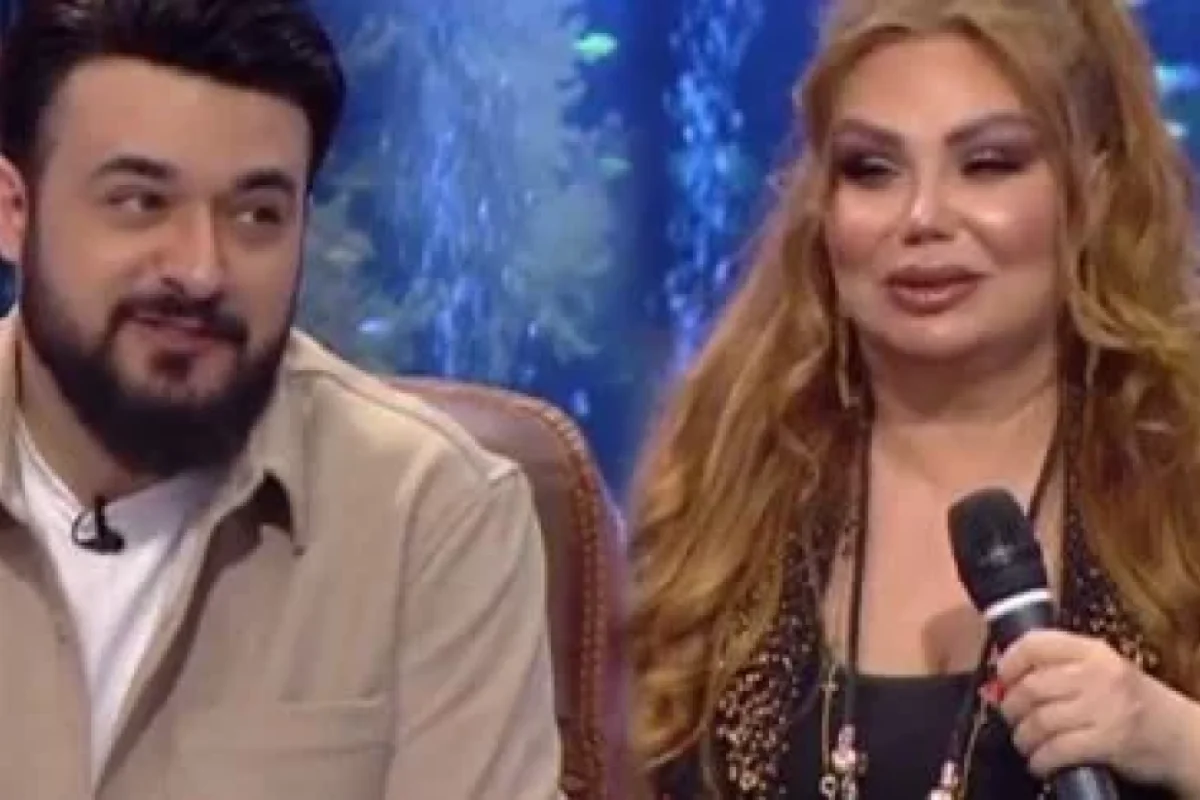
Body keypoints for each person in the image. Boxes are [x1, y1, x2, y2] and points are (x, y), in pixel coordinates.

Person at [629, 0, 1200, 797]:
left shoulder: (1182, 474)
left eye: (988, 164)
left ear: (1095, 185)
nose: (922, 218)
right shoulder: (727, 485)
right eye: (871, 169)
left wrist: (1173, 739)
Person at [0, 0, 562, 798]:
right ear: (14, 211)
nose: (201, 269)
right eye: (141, 202)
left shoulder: (434, 517)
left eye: (257, 215)